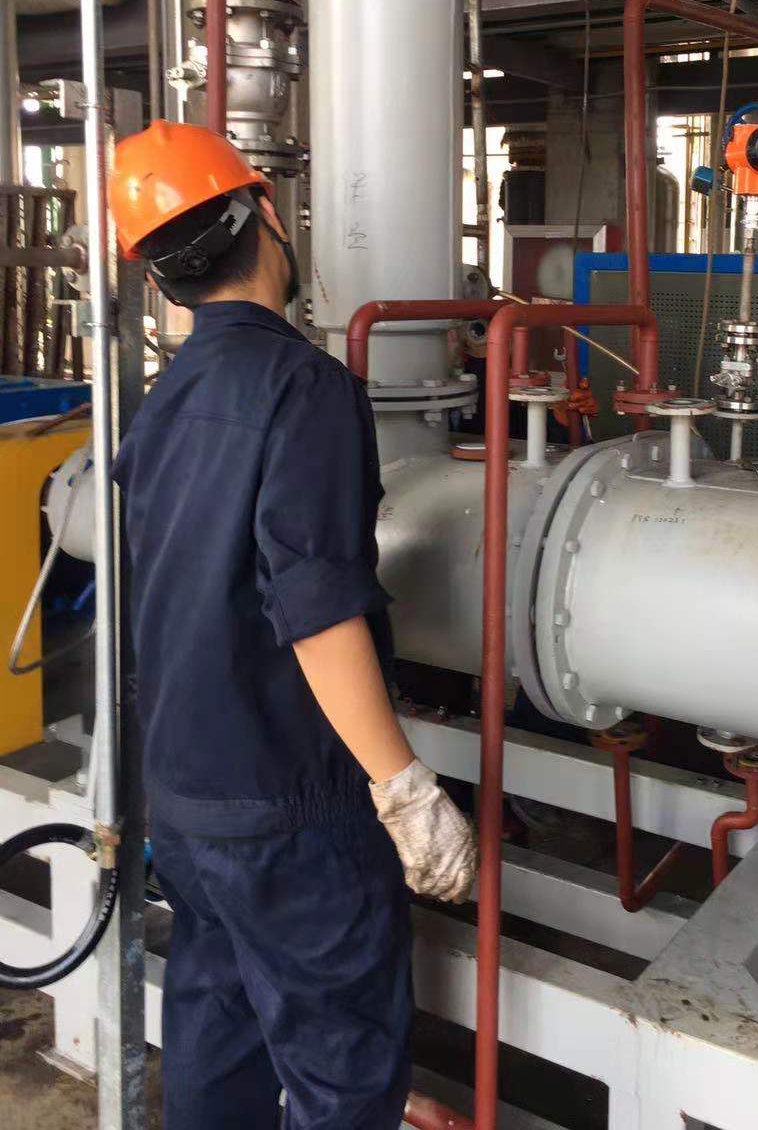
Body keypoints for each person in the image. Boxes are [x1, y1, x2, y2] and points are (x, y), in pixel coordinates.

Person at [108, 121, 476, 1129]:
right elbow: (317, 610)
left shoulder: (162, 401)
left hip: (187, 801)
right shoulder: (304, 389)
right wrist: (404, 788)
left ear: (160, 276)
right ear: (266, 214)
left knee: (217, 1042)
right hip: (290, 812)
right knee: (341, 1077)